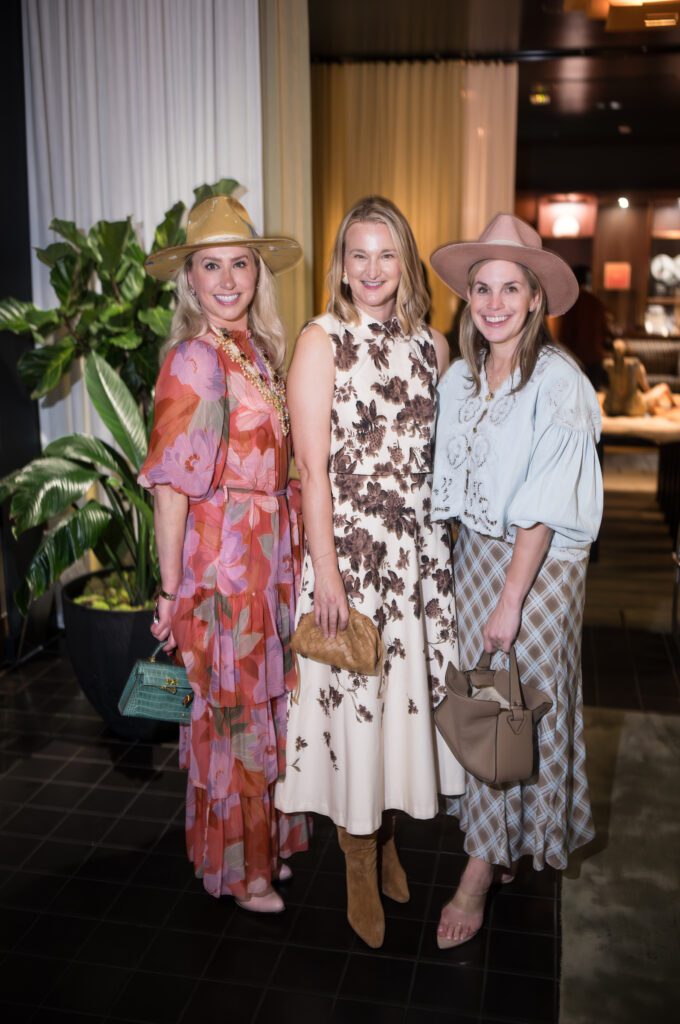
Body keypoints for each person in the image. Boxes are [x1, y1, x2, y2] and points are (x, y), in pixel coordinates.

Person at [275, 195, 464, 948]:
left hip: (417, 563)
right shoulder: (321, 342)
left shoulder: (434, 346)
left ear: (406, 262)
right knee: (355, 708)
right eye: (359, 254)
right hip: (351, 560)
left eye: (388, 254)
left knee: (397, 710)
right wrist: (326, 571)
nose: (373, 269)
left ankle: (385, 838)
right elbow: (312, 471)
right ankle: (356, 857)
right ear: (341, 265)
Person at [430, 214, 603, 949]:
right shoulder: (462, 378)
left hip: (536, 572)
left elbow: (540, 507)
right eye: (481, 288)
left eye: (510, 287)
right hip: (478, 558)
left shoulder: (558, 382)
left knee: (514, 703)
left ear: (536, 298)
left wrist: (508, 601)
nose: (494, 302)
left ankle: (476, 873)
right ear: (468, 298)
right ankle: (495, 848)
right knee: (491, 708)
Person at [139, 195, 310, 913]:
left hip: (265, 560)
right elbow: (172, 489)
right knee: (235, 715)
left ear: (257, 273)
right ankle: (245, 871)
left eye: (240, 263)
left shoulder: (257, 351)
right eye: (211, 265)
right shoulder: (195, 360)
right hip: (226, 568)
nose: (229, 278)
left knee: (261, 709)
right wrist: (171, 589)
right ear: (190, 280)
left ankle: (263, 846)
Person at [551, 264, 610, 389]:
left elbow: (564, 334)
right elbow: (605, 331)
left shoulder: (570, 304)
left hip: (575, 358)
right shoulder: (596, 302)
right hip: (595, 358)